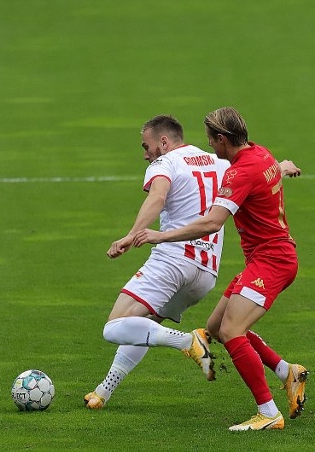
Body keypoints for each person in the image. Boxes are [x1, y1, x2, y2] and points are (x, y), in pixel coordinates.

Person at [84, 115, 300, 409]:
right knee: (147, 327)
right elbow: (259, 173)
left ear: (164, 142)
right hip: (205, 274)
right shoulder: (219, 161)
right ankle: (103, 391)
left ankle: (189, 343)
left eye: (146, 146)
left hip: (173, 263)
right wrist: (282, 168)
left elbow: (157, 198)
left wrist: (133, 235)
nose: (145, 154)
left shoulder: (165, 163)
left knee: (115, 326)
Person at [133, 107, 308, 431]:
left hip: (273, 262)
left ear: (223, 139)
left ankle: (268, 413)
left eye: (212, 141)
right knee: (216, 326)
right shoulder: (260, 153)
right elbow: (270, 170)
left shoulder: (239, 173)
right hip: (265, 258)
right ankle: (288, 373)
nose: (210, 147)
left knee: (231, 331)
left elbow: (213, 222)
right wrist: (284, 167)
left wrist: (161, 235)